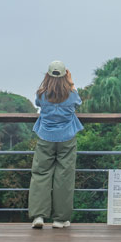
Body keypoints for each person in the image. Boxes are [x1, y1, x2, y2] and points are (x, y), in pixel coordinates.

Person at [29, 60, 83, 229]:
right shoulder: (72, 93)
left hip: (45, 136)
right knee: (64, 176)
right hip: (67, 137)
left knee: (40, 174)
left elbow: (38, 104)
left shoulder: (41, 93)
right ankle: (60, 219)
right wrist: (71, 82)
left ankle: (38, 216)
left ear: (48, 75)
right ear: (65, 75)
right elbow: (78, 103)